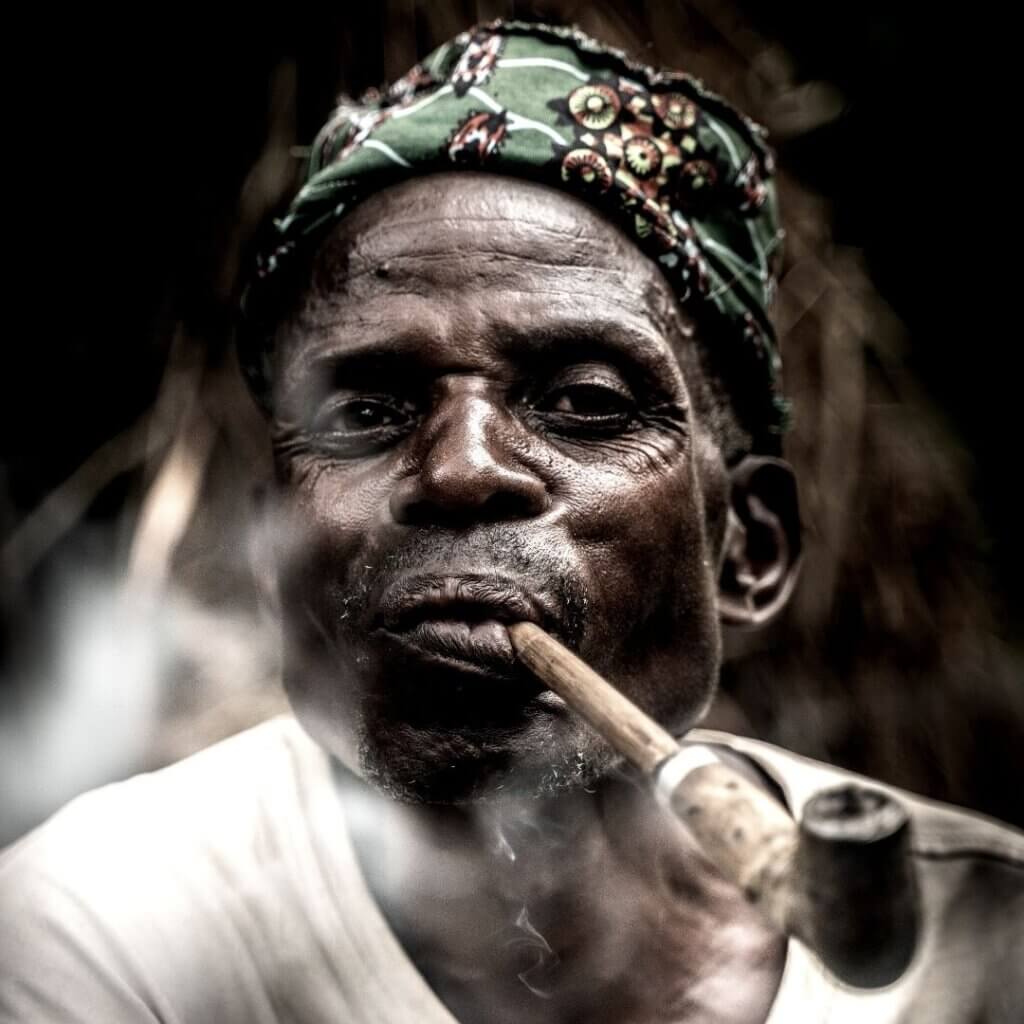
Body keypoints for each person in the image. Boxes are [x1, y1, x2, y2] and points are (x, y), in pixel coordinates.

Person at [1, 21, 1021, 1024]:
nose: (460, 468)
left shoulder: (990, 947)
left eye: (583, 401)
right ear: (275, 552)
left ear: (747, 547)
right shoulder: (98, 938)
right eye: (366, 412)